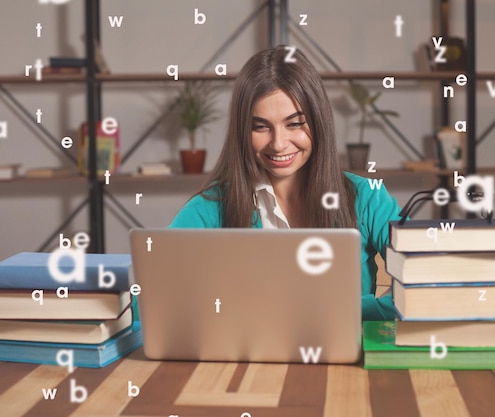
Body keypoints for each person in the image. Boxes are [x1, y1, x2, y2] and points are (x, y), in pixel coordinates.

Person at [169, 45, 402, 321]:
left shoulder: (367, 198)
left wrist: (349, 311)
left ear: (318, 122)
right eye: (260, 126)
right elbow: (154, 298)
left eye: (295, 124)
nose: (278, 144)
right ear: (243, 130)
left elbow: (424, 285)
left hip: (341, 361)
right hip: (245, 360)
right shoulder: (208, 209)